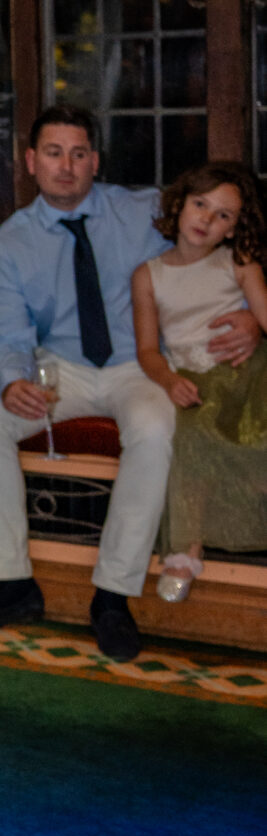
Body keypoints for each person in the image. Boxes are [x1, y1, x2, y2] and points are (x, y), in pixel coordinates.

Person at [0, 105, 260, 662]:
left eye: (78, 153)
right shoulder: (11, 244)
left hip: (140, 365)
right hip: (59, 367)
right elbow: (9, 331)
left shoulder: (144, 211)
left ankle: (112, 596)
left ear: (95, 161)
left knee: (154, 427)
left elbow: (227, 237)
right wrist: (13, 379)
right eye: (52, 153)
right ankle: (14, 584)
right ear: (31, 161)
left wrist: (253, 320)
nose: (65, 166)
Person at [132, 162, 267, 600]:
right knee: (189, 438)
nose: (207, 219)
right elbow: (148, 351)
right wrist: (169, 381)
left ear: (232, 230)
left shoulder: (239, 262)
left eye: (223, 215)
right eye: (200, 204)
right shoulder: (148, 276)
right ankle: (185, 552)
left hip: (250, 370)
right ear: (180, 204)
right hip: (193, 377)